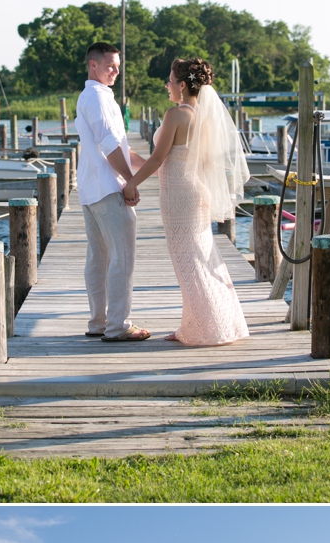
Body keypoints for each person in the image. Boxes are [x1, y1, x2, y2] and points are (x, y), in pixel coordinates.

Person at [123, 58, 250, 346]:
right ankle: (198, 323)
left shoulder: (176, 114)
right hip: (196, 191)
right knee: (200, 256)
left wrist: (131, 182)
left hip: (179, 194)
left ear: (182, 85)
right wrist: (129, 156)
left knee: (188, 261)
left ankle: (207, 326)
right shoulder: (203, 116)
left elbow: (159, 159)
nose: (167, 85)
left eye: (169, 81)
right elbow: (170, 162)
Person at [75, 42, 150, 341]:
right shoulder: (95, 96)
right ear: (93, 65)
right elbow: (108, 144)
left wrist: (154, 167)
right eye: (110, 66)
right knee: (122, 258)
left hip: (91, 187)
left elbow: (120, 146)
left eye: (117, 66)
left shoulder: (96, 96)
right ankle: (117, 325)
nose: (116, 71)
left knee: (99, 257)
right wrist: (130, 181)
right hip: (106, 187)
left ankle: (99, 322)